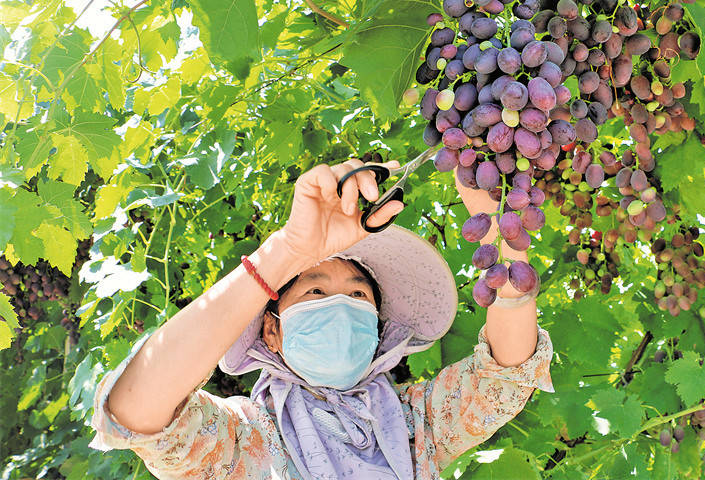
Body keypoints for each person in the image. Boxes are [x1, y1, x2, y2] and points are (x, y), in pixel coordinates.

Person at [88, 157, 554, 479]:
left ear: (375, 333)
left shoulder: (416, 424)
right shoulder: (238, 439)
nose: (340, 304)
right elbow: (136, 408)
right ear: (272, 330)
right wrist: (286, 252)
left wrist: (505, 240)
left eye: (357, 295)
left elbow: (506, 375)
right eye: (314, 290)